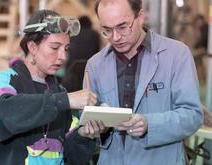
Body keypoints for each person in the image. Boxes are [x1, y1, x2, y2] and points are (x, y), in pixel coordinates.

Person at [83, 0, 203, 164]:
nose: (116, 37)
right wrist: (94, 129)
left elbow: (192, 115)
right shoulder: (95, 65)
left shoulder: (176, 54)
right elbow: (87, 122)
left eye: (123, 27)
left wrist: (150, 124)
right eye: (107, 30)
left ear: (140, 17)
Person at [0, 9, 105, 165]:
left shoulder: (59, 92)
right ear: (32, 47)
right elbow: (4, 115)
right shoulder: (4, 82)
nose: (63, 56)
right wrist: (63, 101)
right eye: (55, 48)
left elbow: (70, 156)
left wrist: (83, 135)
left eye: (66, 49)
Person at [62, 15, 101, 92]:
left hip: (71, 68)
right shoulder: (94, 34)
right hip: (88, 68)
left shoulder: (73, 34)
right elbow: (97, 52)